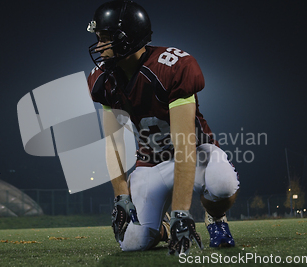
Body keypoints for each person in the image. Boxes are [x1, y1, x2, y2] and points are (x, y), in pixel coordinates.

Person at [86, 0, 240, 255]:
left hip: (195, 154)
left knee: (222, 183)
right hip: (151, 163)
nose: (99, 46)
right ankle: (164, 227)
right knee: (133, 243)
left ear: (127, 39)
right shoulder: (104, 79)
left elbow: (184, 145)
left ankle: (215, 217)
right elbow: (113, 143)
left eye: (105, 38)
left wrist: (182, 209)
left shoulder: (172, 67)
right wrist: (121, 196)